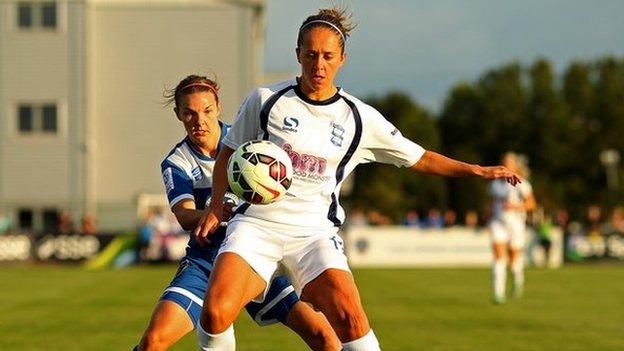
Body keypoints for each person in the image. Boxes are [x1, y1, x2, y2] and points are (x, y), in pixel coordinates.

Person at [193, 7, 520, 350]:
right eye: (311, 54)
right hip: (257, 226)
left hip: (313, 234)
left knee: (350, 319)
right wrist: (217, 204)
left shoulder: (358, 118)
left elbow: (419, 157)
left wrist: (476, 170)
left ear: (342, 58)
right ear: (298, 55)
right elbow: (228, 153)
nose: (319, 65)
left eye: (328, 56)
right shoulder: (265, 100)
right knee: (215, 313)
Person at [135, 75, 340, 351]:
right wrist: (219, 212)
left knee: (324, 336)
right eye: (189, 113)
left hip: (256, 256)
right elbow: (184, 216)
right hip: (206, 263)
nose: (199, 120)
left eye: (207, 111)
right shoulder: (177, 161)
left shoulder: (248, 144)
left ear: (218, 107)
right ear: (178, 115)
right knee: (153, 342)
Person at [488, 152, 536, 304]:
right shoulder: (494, 184)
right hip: (498, 222)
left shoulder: (522, 183)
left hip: (516, 223)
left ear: (515, 166)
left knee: (514, 261)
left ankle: (517, 278)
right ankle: (498, 293)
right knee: (498, 257)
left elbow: (531, 204)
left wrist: (515, 206)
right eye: (504, 162)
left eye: (509, 163)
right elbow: (490, 203)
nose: (506, 166)